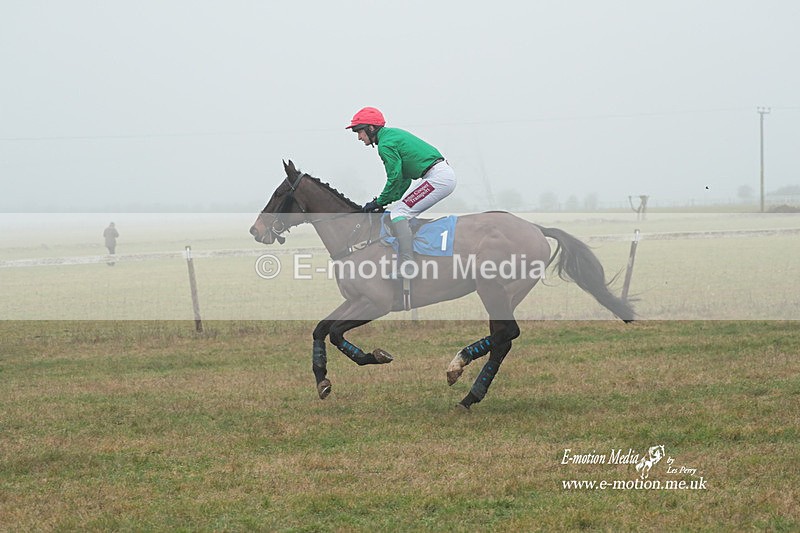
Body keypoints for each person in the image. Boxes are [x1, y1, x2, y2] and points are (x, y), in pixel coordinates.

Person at [346, 106, 456, 278]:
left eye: (359, 132)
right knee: (399, 209)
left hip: (437, 177)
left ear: (371, 128)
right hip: (438, 175)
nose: (359, 137)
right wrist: (384, 201)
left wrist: (379, 202)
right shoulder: (391, 136)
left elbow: (395, 177)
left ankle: (408, 265)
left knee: (398, 213)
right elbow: (404, 180)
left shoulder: (385, 144)